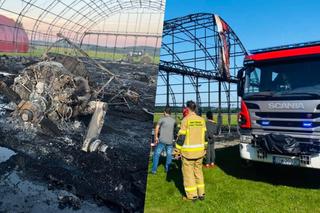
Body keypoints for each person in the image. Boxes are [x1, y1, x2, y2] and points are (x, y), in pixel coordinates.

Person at [176, 100, 207, 201]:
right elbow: (205, 137)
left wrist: (176, 151)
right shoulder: (202, 120)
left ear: (187, 108)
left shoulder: (186, 120)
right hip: (200, 152)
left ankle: (192, 196)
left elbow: (181, 138)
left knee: (188, 174)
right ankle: (201, 194)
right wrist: (205, 148)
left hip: (188, 154)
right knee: (198, 173)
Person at [151, 106, 176, 174]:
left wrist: (156, 137)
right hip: (170, 141)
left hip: (162, 140)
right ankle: (168, 169)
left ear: (165, 112)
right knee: (169, 155)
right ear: (170, 113)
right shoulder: (174, 120)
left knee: (156, 154)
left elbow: (156, 128)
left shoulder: (161, 119)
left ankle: (154, 170)